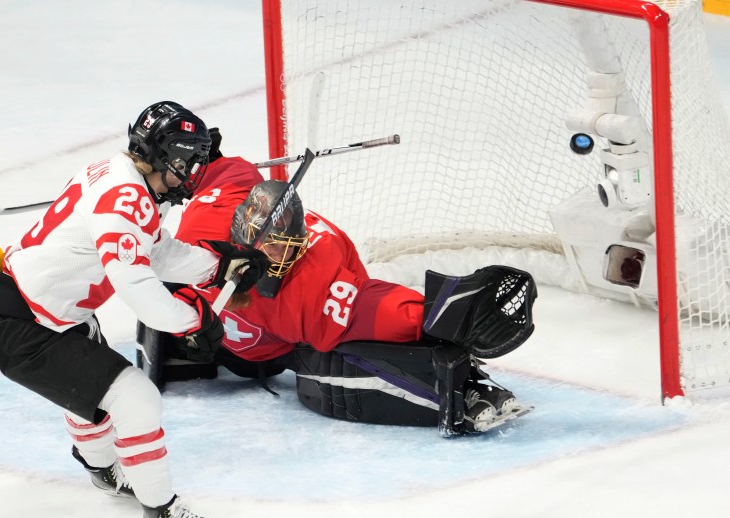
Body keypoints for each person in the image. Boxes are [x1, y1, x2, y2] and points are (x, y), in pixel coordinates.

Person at [0, 102, 267, 518]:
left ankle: (103, 469)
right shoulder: (126, 199)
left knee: (92, 399)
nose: (194, 174)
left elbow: (156, 251)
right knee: (136, 399)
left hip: (45, 311)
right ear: (170, 156)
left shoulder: (122, 176)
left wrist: (218, 265)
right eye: (190, 162)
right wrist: (194, 320)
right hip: (28, 330)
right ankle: (161, 517)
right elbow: (138, 286)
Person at [139, 132, 537, 436]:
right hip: (232, 350)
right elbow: (218, 171)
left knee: (329, 353)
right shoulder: (210, 222)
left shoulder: (309, 276)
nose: (280, 258)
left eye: (289, 247)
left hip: (269, 350)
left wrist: (438, 317)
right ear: (242, 229)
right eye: (272, 247)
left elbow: (370, 307)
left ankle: (454, 362)